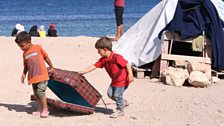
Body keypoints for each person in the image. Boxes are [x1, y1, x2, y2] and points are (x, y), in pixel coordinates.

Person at [79, 37, 134, 118]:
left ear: (105, 49)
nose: (98, 52)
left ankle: (120, 111)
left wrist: (130, 75)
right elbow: (93, 66)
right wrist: (82, 72)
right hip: (114, 81)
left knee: (117, 95)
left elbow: (127, 64)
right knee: (110, 94)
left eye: (99, 50)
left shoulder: (116, 57)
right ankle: (123, 102)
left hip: (122, 80)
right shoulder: (103, 60)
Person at [15, 31, 55, 118]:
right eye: (19, 46)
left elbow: (46, 57)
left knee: (40, 93)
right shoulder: (24, 54)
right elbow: (26, 66)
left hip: (42, 75)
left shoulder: (38, 47)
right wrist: (23, 74)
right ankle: (39, 109)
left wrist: (51, 67)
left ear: (29, 42)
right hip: (33, 77)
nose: (21, 48)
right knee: (36, 94)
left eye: (22, 46)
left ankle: (45, 109)